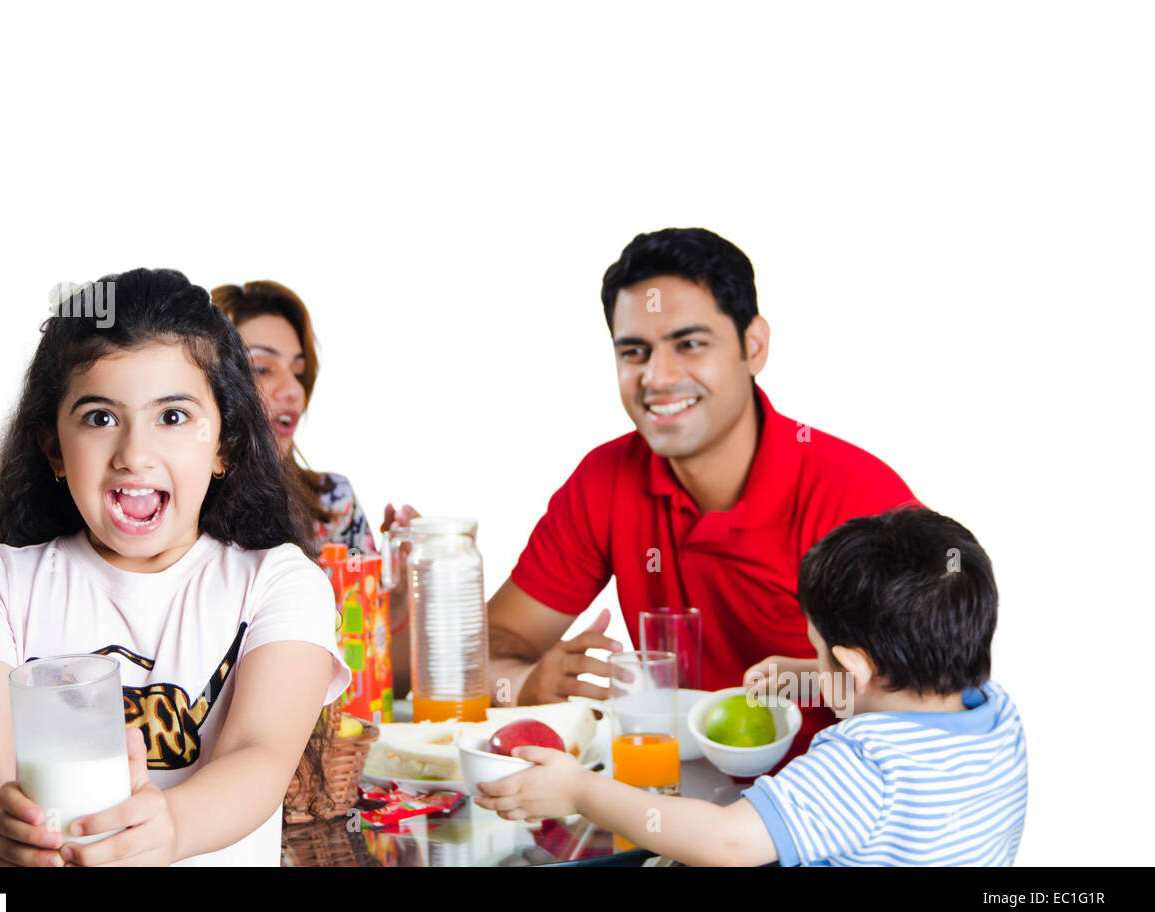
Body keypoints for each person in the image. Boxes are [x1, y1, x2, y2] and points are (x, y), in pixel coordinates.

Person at [0, 268, 350, 867]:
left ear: (224, 442)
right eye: (100, 417)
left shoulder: (280, 584)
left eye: (172, 417)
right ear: (55, 450)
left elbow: (260, 755)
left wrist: (170, 825)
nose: (134, 454)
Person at [489, 227, 921, 759]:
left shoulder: (857, 497)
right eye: (634, 351)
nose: (657, 377)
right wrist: (528, 684)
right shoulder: (605, 479)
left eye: (689, 344)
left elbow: (936, 697)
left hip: (827, 820)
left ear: (754, 346)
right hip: (667, 804)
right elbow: (485, 649)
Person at [477, 507, 1029, 866]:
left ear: (855, 665)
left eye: (818, 650)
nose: (812, 660)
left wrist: (580, 792)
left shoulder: (866, 765)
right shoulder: (994, 714)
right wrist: (807, 676)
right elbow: (900, 691)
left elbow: (726, 841)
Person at [212, 280, 416, 696]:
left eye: (299, 373)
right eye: (262, 369)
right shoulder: (169, 511)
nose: (293, 391)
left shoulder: (332, 503)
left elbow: (382, 687)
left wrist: (395, 606)